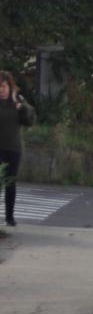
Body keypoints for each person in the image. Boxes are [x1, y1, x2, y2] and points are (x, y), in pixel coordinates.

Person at [1, 71, 35, 227]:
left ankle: (9, 216)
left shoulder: (17, 101)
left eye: (3, 86)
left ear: (9, 86)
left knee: (10, 183)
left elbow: (29, 120)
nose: (1, 90)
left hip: (13, 148)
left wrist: (21, 106)